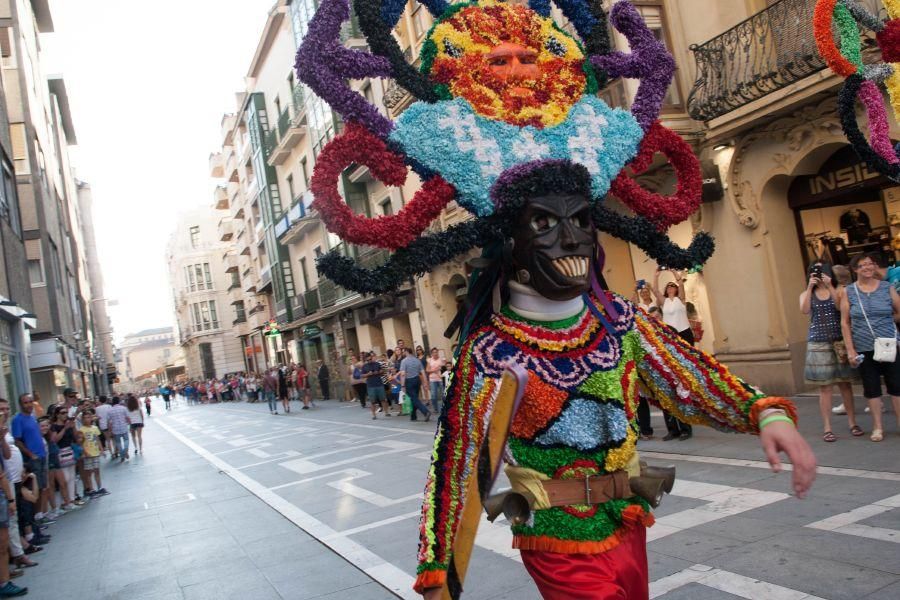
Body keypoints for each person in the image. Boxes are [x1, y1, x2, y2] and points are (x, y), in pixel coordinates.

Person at [296, 2, 817, 598]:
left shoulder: (617, 322)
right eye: (544, 223)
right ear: (510, 243)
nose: (571, 239)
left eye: (581, 223)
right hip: (555, 540)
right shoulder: (492, 351)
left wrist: (767, 414)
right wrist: (437, 568)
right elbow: (458, 458)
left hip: (629, 525)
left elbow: (689, 378)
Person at [840, 252, 900, 442]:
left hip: (889, 344)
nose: (867, 267)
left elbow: (899, 311)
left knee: (897, 386)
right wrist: (850, 349)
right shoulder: (849, 291)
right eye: (862, 265)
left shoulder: (886, 287)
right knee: (871, 388)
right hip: (864, 347)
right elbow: (845, 323)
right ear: (855, 269)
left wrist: (887, 322)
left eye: (870, 264)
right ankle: (877, 427)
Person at [800, 263, 861, 442]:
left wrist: (829, 286)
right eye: (815, 271)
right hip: (818, 343)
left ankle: (852, 423)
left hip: (839, 341)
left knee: (845, 384)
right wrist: (810, 287)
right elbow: (804, 310)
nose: (819, 275)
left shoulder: (839, 290)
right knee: (825, 387)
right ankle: (827, 427)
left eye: (823, 271)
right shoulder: (806, 293)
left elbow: (838, 307)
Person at [650, 269, 694, 441]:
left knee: (679, 390)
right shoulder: (654, 333)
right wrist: (656, 275)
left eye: (672, 286)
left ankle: (685, 428)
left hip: (681, 336)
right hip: (664, 358)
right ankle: (672, 429)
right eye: (652, 317)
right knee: (665, 394)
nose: (669, 289)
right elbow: (655, 291)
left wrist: (675, 274)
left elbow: (681, 287)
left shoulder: (680, 301)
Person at [10, 395, 47, 523]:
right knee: (35, 488)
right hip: (32, 459)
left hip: (41, 456)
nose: (29, 404)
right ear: (21, 404)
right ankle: (35, 519)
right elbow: (17, 440)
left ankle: (40, 515)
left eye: (31, 402)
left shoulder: (32, 417)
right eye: (26, 402)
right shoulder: (17, 420)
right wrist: (30, 454)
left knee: (42, 487)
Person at [397, 348, 431, 422]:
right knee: (414, 398)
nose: (403, 353)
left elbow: (402, 374)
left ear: (406, 352)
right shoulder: (417, 360)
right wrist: (425, 382)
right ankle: (413, 416)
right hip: (417, 380)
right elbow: (423, 372)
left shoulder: (404, 361)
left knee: (414, 398)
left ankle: (425, 412)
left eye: (403, 351)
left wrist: (402, 386)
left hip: (409, 381)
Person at [78, 410, 107, 497]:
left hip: (95, 452)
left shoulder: (95, 428)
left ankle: (99, 487)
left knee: (97, 470)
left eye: (89, 417)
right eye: (85, 418)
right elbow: (81, 442)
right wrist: (85, 452)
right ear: (82, 419)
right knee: (89, 472)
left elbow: (97, 439)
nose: (87, 419)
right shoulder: (81, 430)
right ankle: (91, 489)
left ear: (91, 418)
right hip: (88, 453)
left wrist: (101, 450)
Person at [362, 352, 392, 420]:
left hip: (379, 384)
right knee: (373, 401)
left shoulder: (377, 364)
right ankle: (374, 415)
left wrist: (378, 372)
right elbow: (362, 375)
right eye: (367, 360)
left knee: (383, 399)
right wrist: (368, 374)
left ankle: (386, 412)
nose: (369, 361)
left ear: (371, 357)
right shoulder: (364, 366)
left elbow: (382, 371)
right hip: (370, 386)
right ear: (366, 360)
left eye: (370, 359)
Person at [107, 397, 131, 462]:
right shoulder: (124, 408)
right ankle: (125, 451)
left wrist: (110, 430)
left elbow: (109, 422)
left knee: (118, 443)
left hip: (115, 429)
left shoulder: (109, 411)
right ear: (119, 401)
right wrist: (130, 424)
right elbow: (128, 418)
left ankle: (122, 454)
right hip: (124, 427)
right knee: (126, 440)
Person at [425, 348, 446, 415]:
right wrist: (434, 370)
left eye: (436, 352)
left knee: (443, 394)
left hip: (440, 379)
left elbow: (445, 367)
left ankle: (445, 408)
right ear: (431, 353)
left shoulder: (441, 360)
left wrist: (443, 365)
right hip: (432, 379)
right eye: (434, 352)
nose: (435, 353)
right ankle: (436, 409)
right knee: (434, 395)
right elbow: (427, 370)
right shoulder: (429, 360)